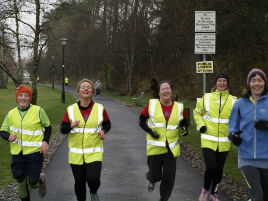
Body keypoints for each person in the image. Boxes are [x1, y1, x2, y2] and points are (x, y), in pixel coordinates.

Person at [60, 79, 111, 201]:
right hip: (76, 155)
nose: (86, 89)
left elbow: (107, 124)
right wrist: (71, 125)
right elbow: (62, 129)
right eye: (83, 87)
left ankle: (93, 192)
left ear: (93, 91)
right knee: (79, 182)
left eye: (89, 87)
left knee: (93, 180)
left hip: (94, 153)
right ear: (78, 91)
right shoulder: (71, 109)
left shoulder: (100, 108)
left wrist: (103, 131)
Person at [139, 80, 188, 201]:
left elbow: (185, 122)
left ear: (171, 90)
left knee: (169, 177)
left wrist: (185, 129)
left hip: (171, 149)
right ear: (159, 92)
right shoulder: (151, 104)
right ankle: (151, 178)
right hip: (155, 149)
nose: (166, 91)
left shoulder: (179, 107)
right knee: (156, 175)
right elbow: (141, 121)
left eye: (168, 88)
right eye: (163, 89)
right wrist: (151, 132)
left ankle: (164, 198)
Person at [0, 85, 51, 201]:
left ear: (30, 98)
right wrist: (8, 136)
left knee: (32, 182)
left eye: (26, 96)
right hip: (17, 153)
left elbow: (48, 127)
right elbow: (2, 131)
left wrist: (45, 142)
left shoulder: (38, 111)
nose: (23, 98)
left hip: (34, 153)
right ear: (16, 98)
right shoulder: (11, 113)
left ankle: (40, 181)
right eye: (20, 96)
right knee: (20, 180)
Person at [193, 73, 237, 201]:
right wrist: (201, 125)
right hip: (208, 138)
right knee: (211, 167)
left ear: (227, 83)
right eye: (219, 81)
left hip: (224, 140)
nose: (222, 83)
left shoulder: (234, 100)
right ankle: (205, 189)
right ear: (215, 83)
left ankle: (214, 193)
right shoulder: (207, 97)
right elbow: (196, 112)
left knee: (219, 169)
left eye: (224, 81)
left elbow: (238, 118)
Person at [228, 68, 268, 201]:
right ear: (249, 84)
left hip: (266, 158)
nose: (256, 84)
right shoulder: (240, 104)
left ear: (264, 83)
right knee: (257, 196)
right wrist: (233, 136)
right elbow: (232, 126)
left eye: (260, 80)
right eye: (253, 80)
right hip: (246, 158)